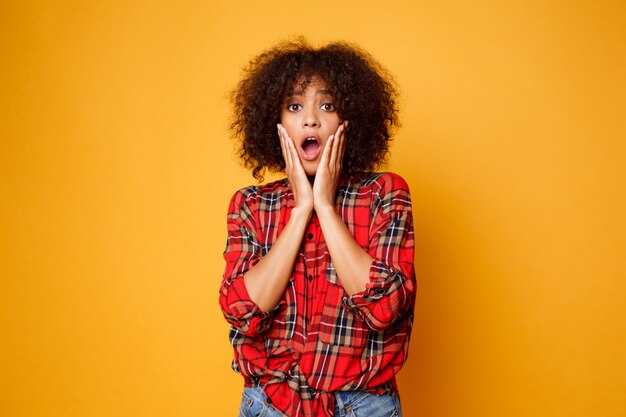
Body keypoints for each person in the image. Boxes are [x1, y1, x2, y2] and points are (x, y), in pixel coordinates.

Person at [219, 39, 416, 417]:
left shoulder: (385, 194)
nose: (310, 119)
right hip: (271, 405)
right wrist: (301, 209)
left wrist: (324, 206)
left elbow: (383, 308)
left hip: (364, 405)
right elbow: (242, 310)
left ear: (349, 119)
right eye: (295, 106)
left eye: (327, 105)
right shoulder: (250, 204)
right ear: (275, 122)